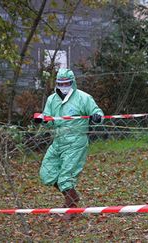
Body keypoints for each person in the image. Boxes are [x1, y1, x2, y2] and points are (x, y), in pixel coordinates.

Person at [34, 68, 104, 219]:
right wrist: (42, 120)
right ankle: (72, 196)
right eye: (61, 83)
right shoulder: (52, 100)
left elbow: (97, 112)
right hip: (58, 141)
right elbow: (48, 119)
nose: (64, 86)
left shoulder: (83, 98)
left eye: (67, 83)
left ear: (73, 83)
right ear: (57, 83)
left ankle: (71, 208)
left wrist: (97, 117)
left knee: (66, 177)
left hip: (76, 142)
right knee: (46, 173)